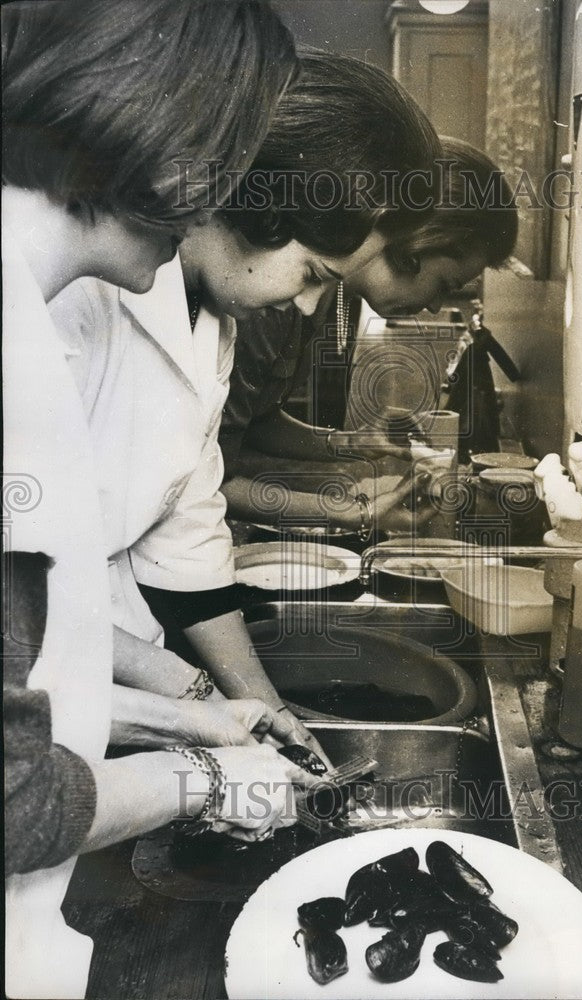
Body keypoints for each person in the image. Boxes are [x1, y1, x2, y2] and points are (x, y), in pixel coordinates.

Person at [2, 3, 315, 996]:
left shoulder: (28, 322)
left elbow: (28, 669)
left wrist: (203, 721)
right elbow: (12, 799)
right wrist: (214, 780)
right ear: (178, 155)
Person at [47, 51, 442, 766]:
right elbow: (21, 600)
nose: (306, 303)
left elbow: (187, 533)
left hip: (111, 658)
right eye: (315, 275)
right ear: (264, 205)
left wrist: (264, 715)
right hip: (47, 667)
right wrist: (192, 703)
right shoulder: (74, 293)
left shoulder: (212, 317)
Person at [219, 138, 518, 534]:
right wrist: (353, 511)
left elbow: (256, 419)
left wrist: (350, 442)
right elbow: (208, 478)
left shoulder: (333, 296)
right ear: (417, 240)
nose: (434, 306)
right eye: (445, 284)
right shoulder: (273, 299)